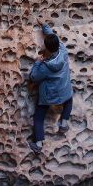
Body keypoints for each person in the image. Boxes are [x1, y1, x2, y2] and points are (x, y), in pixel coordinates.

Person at [27, 20, 73, 153]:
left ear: (46, 48)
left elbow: (33, 77)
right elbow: (53, 36)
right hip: (64, 91)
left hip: (50, 96)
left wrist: (37, 63)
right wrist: (45, 27)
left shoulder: (45, 66)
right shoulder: (63, 50)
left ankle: (39, 144)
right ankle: (63, 123)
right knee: (69, 99)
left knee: (39, 116)